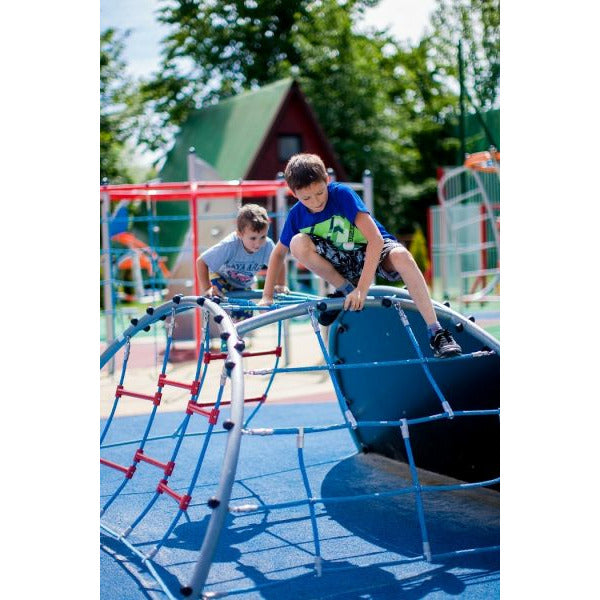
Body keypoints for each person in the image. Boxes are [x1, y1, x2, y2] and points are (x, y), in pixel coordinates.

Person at [259, 153, 461, 358]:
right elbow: (277, 254)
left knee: (402, 255)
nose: (316, 201)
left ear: (327, 181)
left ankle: (437, 332)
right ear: (294, 194)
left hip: (373, 250)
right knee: (297, 243)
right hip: (344, 263)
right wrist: (266, 296)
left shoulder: (341, 195)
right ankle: (344, 289)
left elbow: (376, 240)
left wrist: (362, 290)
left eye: (320, 193)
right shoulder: (297, 215)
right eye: (306, 198)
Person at [197, 203, 288, 303]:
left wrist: (280, 284)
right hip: (222, 278)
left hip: (243, 284)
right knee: (219, 297)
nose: (258, 243)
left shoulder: (267, 246)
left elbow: (279, 261)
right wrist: (207, 288)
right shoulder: (230, 245)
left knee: (246, 311)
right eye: (253, 238)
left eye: (263, 237)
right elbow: (201, 262)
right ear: (239, 234)